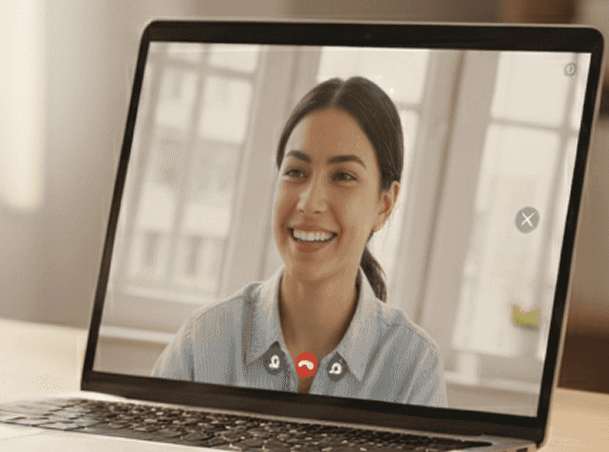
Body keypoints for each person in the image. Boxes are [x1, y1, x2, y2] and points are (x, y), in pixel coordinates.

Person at [153, 77, 446, 406]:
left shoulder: (413, 367)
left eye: (343, 176)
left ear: (385, 204)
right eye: (296, 172)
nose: (309, 202)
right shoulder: (204, 340)